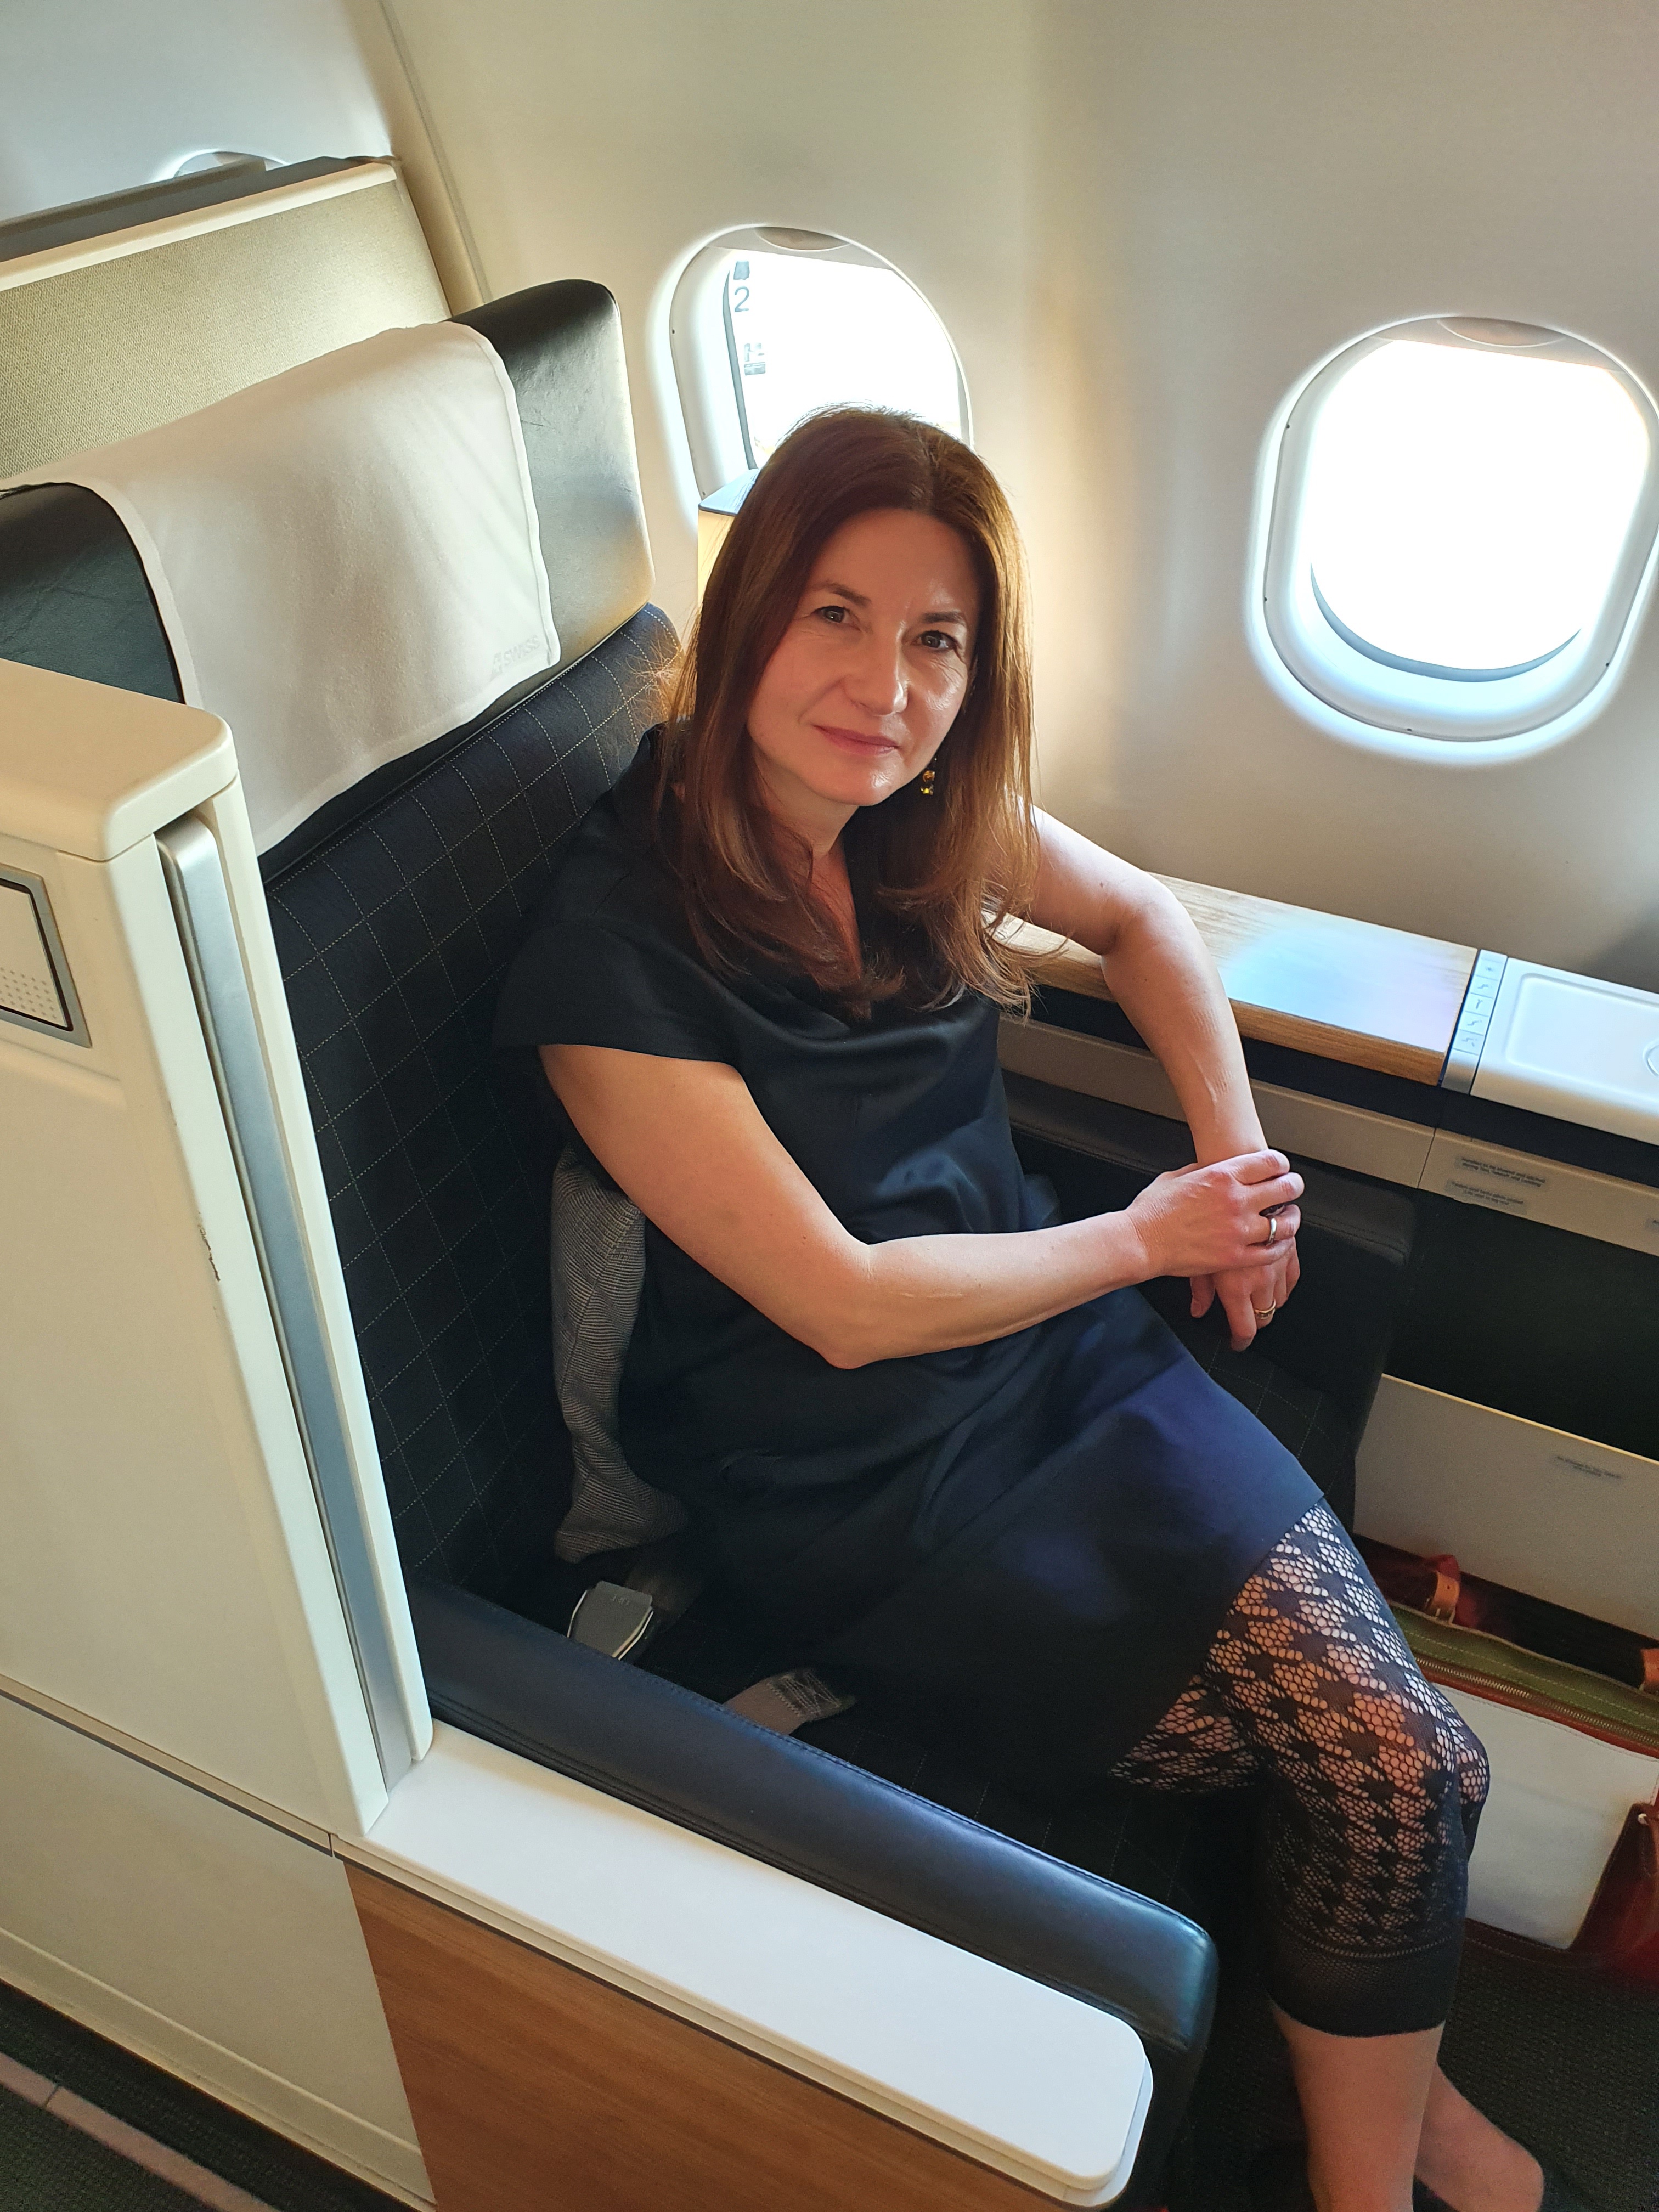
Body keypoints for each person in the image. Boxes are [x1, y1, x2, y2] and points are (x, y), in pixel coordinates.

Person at [494, 407, 1570, 2212]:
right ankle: (1386, 2173)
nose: (886, 688)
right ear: (750, 612)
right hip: (855, 1472)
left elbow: (1145, 920)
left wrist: (1233, 1173)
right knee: (1398, 1767)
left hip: (1044, 1354)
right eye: (837, 616)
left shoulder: (912, 818)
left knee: (1404, 1765)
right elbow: (840, 1304)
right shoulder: (612, 959)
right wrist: (1147, 1238)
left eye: (938, 641)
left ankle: (1396, 2137)